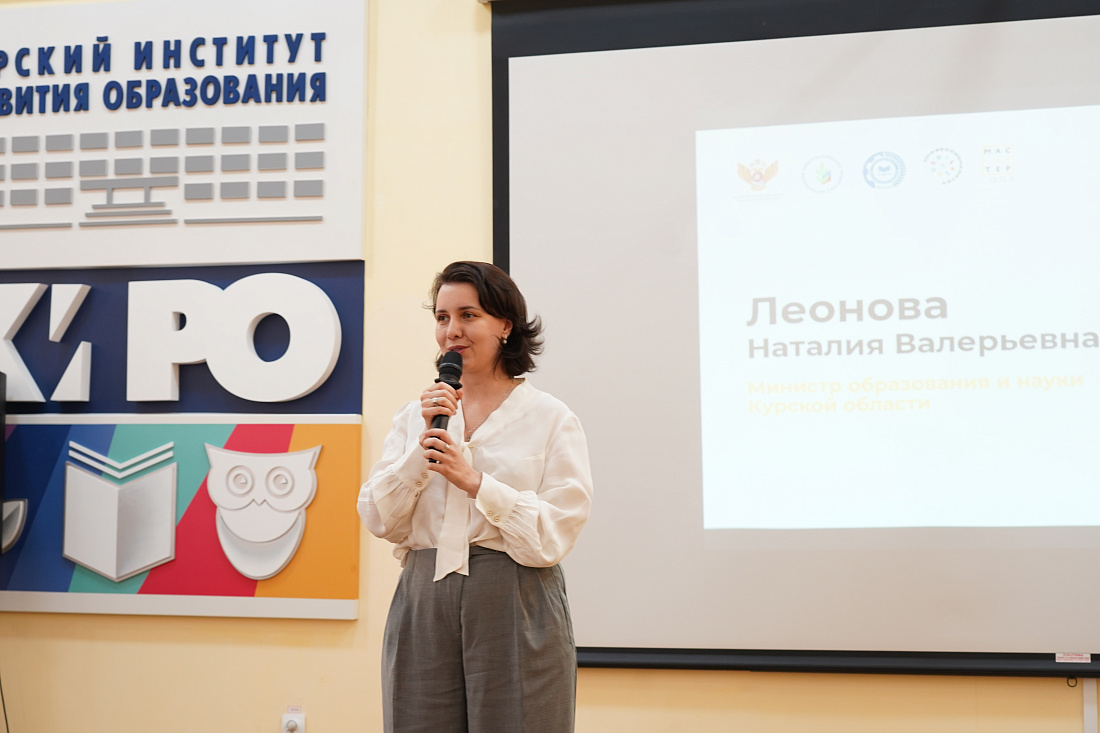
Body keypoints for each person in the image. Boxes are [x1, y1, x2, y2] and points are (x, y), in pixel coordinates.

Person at [358, 261, 593, 733]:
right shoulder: (415, 415)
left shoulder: (551, 418)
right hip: (423, 594)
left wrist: (476, 482)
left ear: (505, 325)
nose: (452, 331)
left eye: (468, 315)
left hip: (514, 594)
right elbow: (379, 518)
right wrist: (420, 450)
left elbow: (556, 531)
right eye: (442, 317)